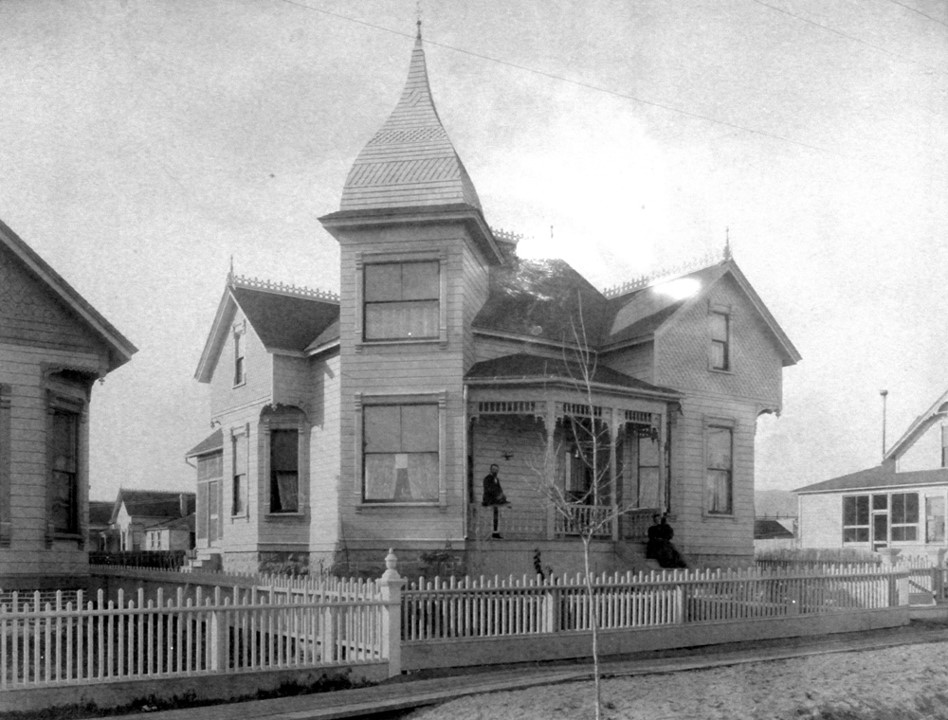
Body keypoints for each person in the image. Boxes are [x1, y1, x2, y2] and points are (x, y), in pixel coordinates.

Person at [482, 464, 508, 538]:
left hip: (496, 501)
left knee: (496, 516)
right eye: (494, 469)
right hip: (489, 500)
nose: (495, 471)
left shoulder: (496, 479)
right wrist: (497, 496)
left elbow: (499, 489)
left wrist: (502, 495)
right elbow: (488, 490)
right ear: (490, 469)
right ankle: (490, 533)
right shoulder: (487, 478)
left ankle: (495, 533)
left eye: (496, 470)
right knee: (491, 516)